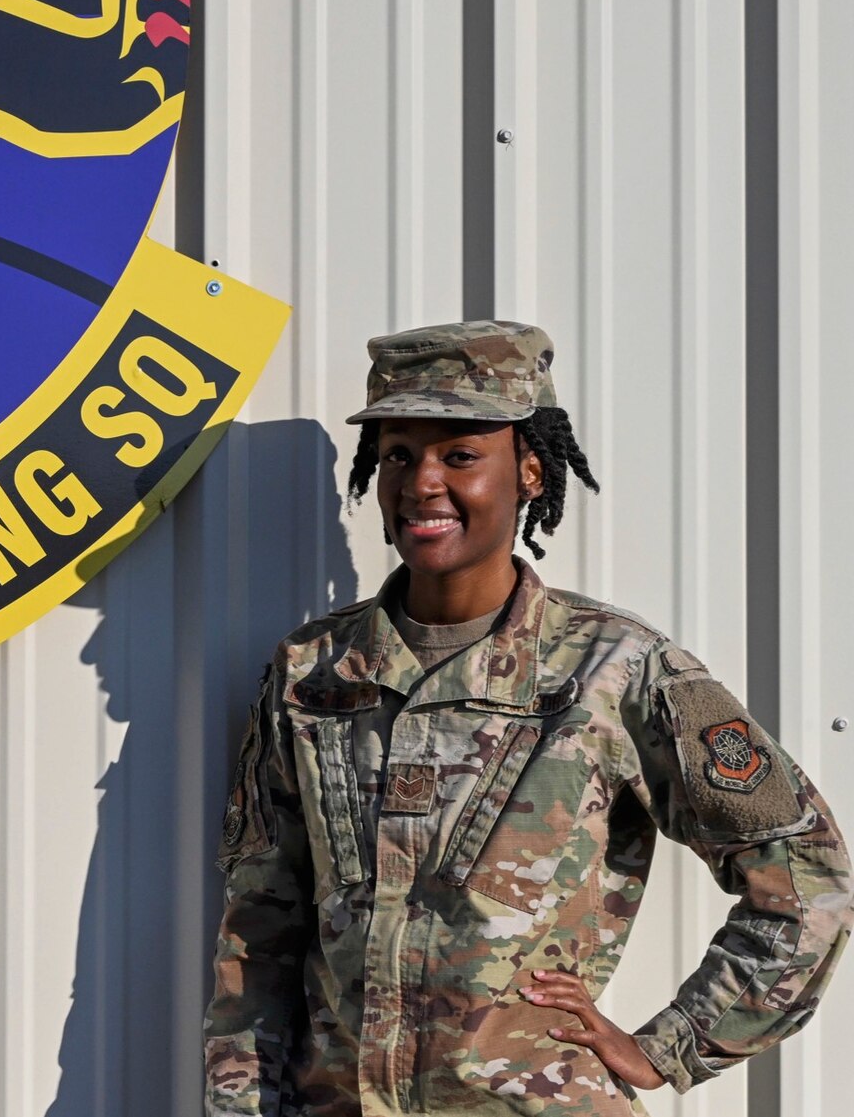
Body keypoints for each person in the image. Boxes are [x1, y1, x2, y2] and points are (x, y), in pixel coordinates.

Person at [203, 320, 852, 1115]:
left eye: (461, 455)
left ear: (532, 472)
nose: (421, 484)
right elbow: (257, 933)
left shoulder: (613, 669)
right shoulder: (314, 674)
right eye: (399, 453)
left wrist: (668, 1046)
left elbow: (807, 879)